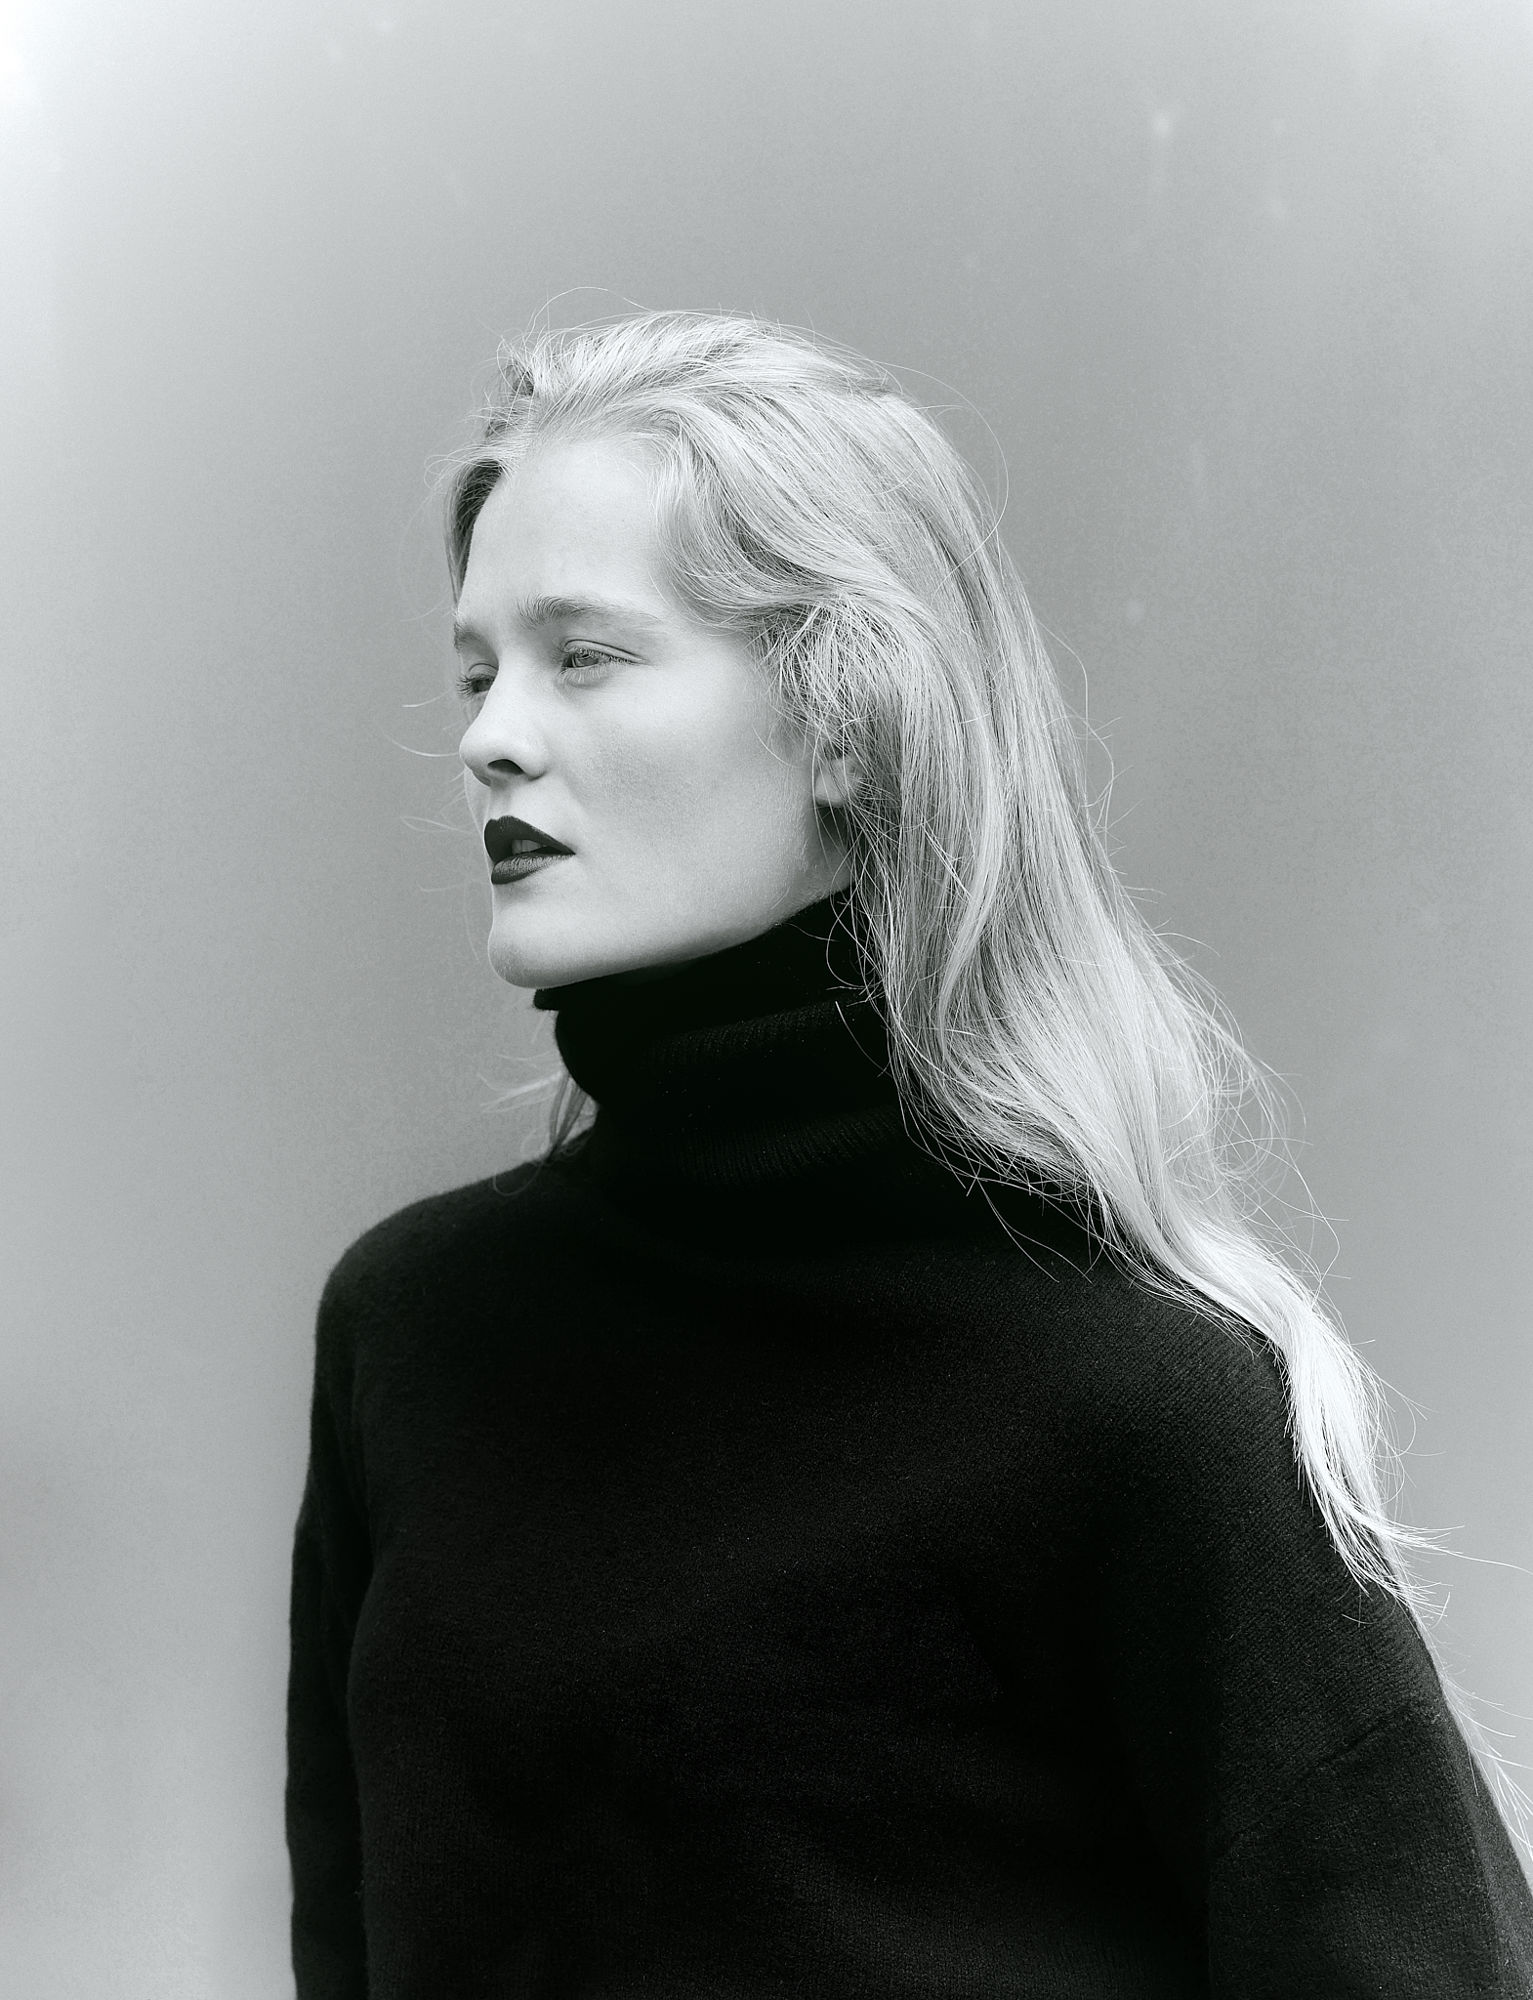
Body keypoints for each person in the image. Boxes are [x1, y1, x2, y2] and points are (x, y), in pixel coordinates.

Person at [286, 311, 1533, 1998]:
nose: (490, 735)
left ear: (845, 724)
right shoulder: (410, 1330)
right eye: (475, 670)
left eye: (582, 657)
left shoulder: (1138, 1400)